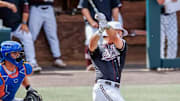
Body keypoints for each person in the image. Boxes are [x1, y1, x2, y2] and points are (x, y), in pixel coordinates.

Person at [89, 13, 127, 101]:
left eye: (120, 32)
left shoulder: (121, 45)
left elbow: (115, 38)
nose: (120, 34)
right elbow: (91, 45)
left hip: (115, 89)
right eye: (118, 31)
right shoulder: (98, 48)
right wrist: (100, 30)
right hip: (103, 87)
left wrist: (106, 25)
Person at [78, 0, 121, 71]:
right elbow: (84, 9)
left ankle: (106, 63)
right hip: (93, 25)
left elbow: (115, 9)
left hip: (107, 24)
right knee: (90, 41)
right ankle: (90, 64)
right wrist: (92, 22)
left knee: (107, 43)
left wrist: (115, 23)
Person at [0, 0, 42, 72]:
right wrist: (9, 5)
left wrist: (24, 23)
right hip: (2, 25)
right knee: (5, 44)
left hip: (17, 25)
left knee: (27, 36)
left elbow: (25, 9)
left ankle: (32, 63)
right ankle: (3, 66)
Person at [28, 0, 66, 68]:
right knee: (32, 36)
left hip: (49, 8)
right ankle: (30, 60)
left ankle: (57, 58)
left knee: (52, 35)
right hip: (36, 8)